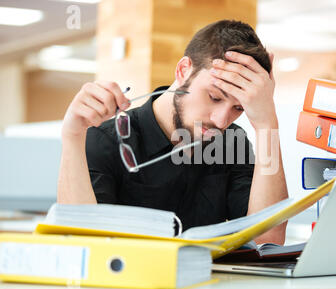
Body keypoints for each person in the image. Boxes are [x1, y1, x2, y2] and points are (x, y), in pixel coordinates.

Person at [57, 19, 288, 244]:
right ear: (183, 70)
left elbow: (267, 241)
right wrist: (72, 136)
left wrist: (267, 125)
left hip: (203, 281)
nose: (221, 120)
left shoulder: (232, 142)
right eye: (214, 97)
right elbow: (81, 245)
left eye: (239, 108)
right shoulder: (107, 138)